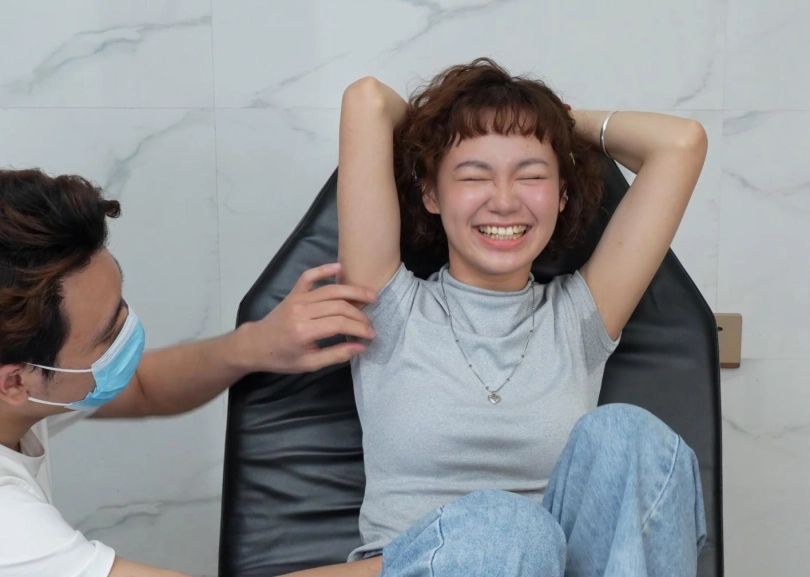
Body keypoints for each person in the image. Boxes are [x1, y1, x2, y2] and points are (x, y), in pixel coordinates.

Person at [283, 58, 710, 577]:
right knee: (506, 527)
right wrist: (454, 120)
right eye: (473, 175)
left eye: (531, 176)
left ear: (562, 194)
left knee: (630, 433)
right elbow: (367, 101)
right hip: (424, 567)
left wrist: (552, 122)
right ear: (432, 193)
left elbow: (680, 144)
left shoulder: (579, 320)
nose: (505, 201)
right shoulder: (389, 310)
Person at [0, 169, 379, 577]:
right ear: (15, 382)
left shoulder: (25, 384)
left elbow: (143, 385)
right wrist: (420, 555)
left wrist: (254, 344)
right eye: (108, 336)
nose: (129, 332)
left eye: (122, 307)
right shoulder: (12, 530)